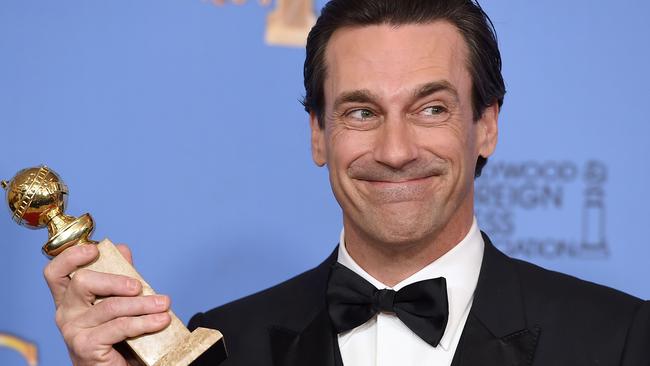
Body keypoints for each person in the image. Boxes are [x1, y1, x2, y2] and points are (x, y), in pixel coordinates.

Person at [43, 0, 650, 365]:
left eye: (431, 108)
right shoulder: (217, 347)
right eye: (361, 112)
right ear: (318, 134)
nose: (394, 150)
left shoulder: (622, 341)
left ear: (485, 125)